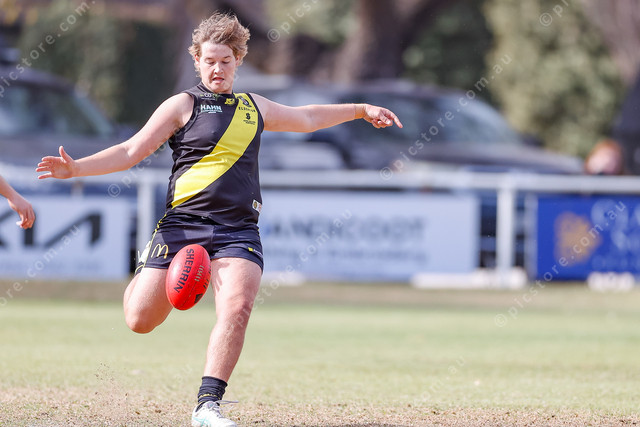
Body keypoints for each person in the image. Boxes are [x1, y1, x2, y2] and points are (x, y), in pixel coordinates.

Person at [36, 12, 402, 427]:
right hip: (182, 226)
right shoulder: (182, 105)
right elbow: (131, 150)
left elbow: (307, 118)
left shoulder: (253, 107)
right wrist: (76, 169)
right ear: (196, 60)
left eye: (225, 61)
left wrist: (361, 109)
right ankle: (144, 268)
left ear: (238, 60)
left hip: (238, 230)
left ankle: (207, 405)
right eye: (209, 61)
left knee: (238, 307)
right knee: (139, 320)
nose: (217, 69)